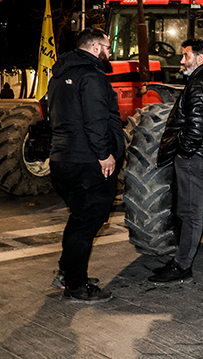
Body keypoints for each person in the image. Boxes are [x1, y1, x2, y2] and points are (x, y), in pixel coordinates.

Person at [47, 28, 123, 303]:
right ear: (95, 48)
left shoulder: (59, 74)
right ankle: (76, 286)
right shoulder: (92, 76)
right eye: (107, 47)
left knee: (78, 220)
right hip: (88, 162)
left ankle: (68, 273)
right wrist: (105, 155)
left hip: (62, 159)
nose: (109, 53)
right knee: (87, 223)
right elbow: (95, 120)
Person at [152, 38, 203, 284]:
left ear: (200, 58)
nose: (181, 61)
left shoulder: (200, 85)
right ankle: (181, 260)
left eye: (186, 56)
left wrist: (183, 151)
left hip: (196, 159)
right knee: (190, 211)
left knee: (190, 213)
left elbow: (196, 128)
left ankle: (182, 266)